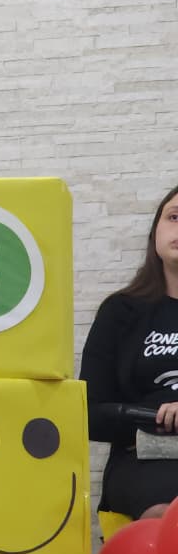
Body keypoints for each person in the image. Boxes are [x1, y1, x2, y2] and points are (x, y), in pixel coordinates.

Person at [81, 184, 178, 519]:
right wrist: (154, 417)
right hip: (142, 459)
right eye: (174, 217)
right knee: (167, 515)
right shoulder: (120, 312)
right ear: (155, 232)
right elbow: (89, 414)